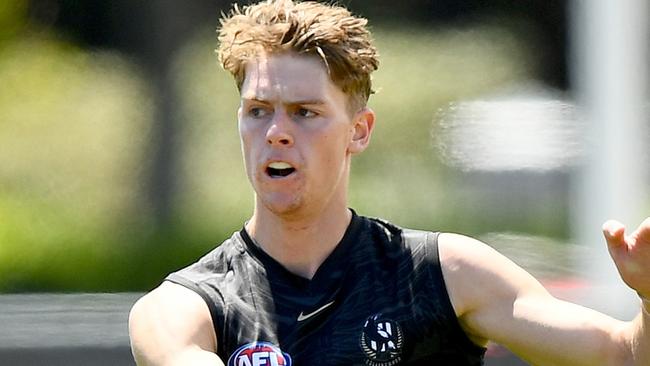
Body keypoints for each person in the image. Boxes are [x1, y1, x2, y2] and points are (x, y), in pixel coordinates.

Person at [128, 0, 650, 365]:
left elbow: (622, 356)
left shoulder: (445, 275)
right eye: (258, 111)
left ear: (358, 131)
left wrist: (648, 298)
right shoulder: (187, 306)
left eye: (305, 113)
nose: (277, 134)